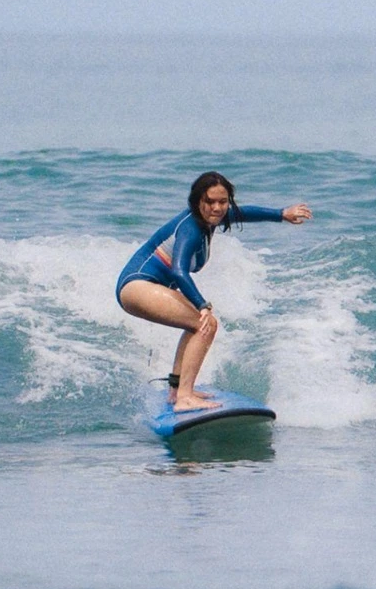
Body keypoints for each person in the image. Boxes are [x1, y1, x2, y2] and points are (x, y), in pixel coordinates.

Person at [116, 171, 312, 411]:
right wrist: (203, 305)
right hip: (137, 286)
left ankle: (177, 390)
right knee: (205, 324)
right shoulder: (191, 228)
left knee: (193, 325)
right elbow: (179, 271)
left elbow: (244, 213)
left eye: (223, 201)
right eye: (210, 201)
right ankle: (184, 397)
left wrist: (282, 214)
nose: (217, 208)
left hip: (141, 286)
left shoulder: (210, 218)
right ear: (198, 201)